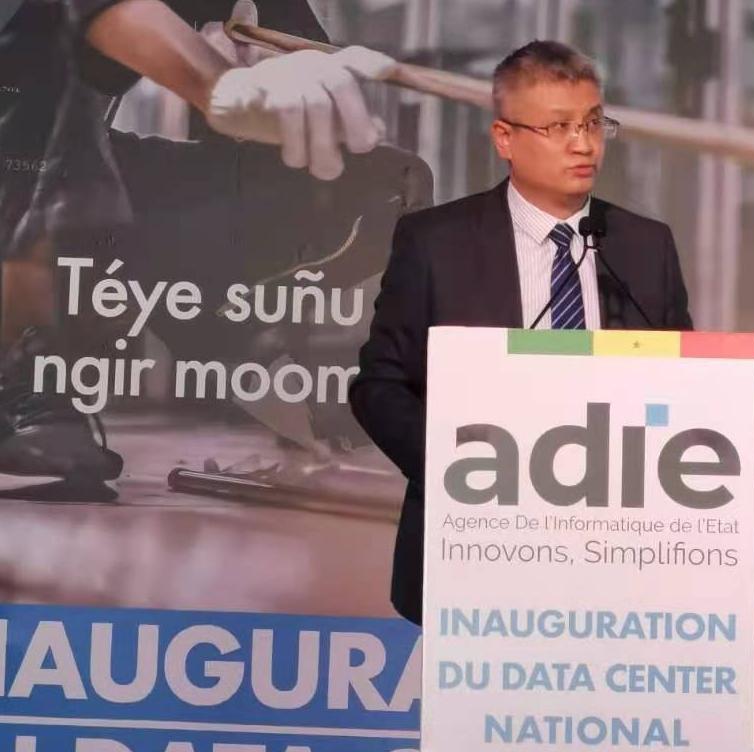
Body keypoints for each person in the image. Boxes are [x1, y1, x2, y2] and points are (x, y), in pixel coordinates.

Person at [0, 0, 431, 482]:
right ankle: (20, 369)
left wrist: (293, 84)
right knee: (51, 157)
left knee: (382, 186)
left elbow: (297, 61)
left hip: (70, 174)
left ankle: (224, 328)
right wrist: (220, 85)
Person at [349, 40, 693, 625]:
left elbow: (683, 388)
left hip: (616, 559)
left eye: (593, 123)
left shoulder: (645, 245)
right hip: (473, 550)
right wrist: (465, 475)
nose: (583, 144)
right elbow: (379, 386)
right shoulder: (435, 242)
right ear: (504, 138)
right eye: (558, 127)